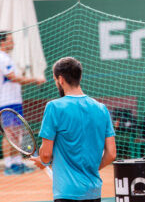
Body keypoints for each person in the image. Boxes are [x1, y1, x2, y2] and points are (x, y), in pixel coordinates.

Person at [31, 57, 116, 202]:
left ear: (61, 79)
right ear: (79, 77)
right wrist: (90, 170)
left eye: (55, 80)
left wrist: (43, 161)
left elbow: (46, 155)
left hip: (66, 193)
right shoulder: (101, 109)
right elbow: (111, 154)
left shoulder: (54, 107)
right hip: (94, 192)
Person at [0, 31, 46, 175]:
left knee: (16, 132)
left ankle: (17, 163)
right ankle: (9, 166)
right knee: (9, 133)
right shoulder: (2, 58)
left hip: (14, 100)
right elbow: (13, 78)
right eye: (10, 40)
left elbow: (13, 79)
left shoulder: (7, 58)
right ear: (3, 42)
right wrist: (35, 79)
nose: (13, 43)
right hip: (6, 102)